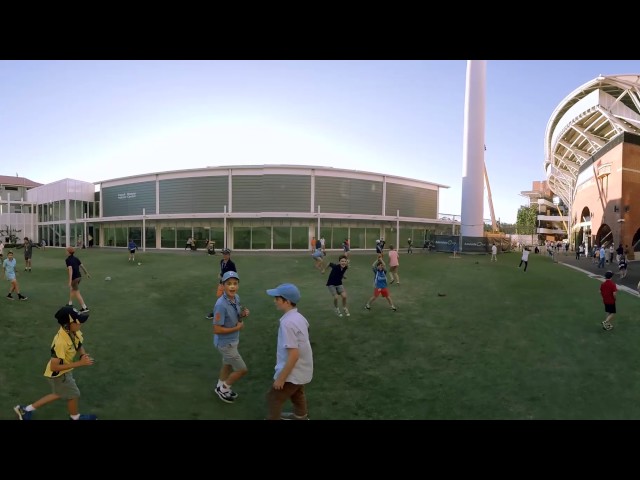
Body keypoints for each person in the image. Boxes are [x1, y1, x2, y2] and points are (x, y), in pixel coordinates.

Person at [14, 306, 96, 420]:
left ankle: (25, 410)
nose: (81, 324)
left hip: (64, 371)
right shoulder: (60, 342)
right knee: (73, 394)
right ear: (68, 325)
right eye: (78, 322)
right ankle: (75, 417)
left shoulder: (73, 332)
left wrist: (82, 355)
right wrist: (80, 363)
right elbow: (54, 367)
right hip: (59, 374)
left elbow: (79, 345)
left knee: (59, 393)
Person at [265, 283, 313, 420]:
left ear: (287, 301)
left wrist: (281, 378)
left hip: (293, 371)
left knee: (273, 398)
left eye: (277, 298)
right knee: (297, 393)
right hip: (303, 369)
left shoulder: (287, 323)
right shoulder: (299, 317)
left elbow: (294, 354)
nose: (275, 301)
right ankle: (301, 416)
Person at [213, 271, 250, 403]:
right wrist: (237, 328)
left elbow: (236, 314)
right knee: (242, 369)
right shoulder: (220, 305)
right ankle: (224, 389)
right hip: (225, 344)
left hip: (233, 340)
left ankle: (219, 386)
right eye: (229, 284)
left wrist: (243, 314)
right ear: (223, 286)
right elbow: (216, 329)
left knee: (227, 364)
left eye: (235, 283)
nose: (232, 286)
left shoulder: (236, 298)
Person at [206, 248, 237, 319]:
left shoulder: (231, 264)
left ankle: (218, 313)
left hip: (228, 284)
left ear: (229, 255)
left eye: (226, 254)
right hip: (222, 283)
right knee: (220, 297)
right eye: (223, 254)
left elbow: (234, 274)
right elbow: (222, 269)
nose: (224, 255)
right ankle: (220, 311)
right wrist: (220, 273)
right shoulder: (222, 261)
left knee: (228, 298)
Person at [65, 247, 90, 313]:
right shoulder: (76, 258)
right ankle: (70, 303)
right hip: (79, 277)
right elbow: (82, 266)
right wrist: (86, 273)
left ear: (69, 252)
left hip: (74, 278)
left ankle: (84, 308)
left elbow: (70, 270)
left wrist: (70, 281)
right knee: (73, 290)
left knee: (77, 293)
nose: (65, 252)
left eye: (66, 251)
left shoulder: (68, 260)